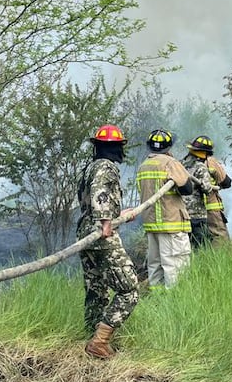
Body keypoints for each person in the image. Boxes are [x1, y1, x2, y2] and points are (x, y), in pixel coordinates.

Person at [76, 124, 140, 359]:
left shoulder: (90, 166)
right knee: (129, 290)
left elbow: (95, 195)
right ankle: (99, 342)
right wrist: (106, 223)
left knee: (97, 290)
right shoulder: (106, 166)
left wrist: (119, 216)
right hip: (101, 234)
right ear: (117, 147)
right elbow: (100, 193)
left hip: (85, 233)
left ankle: (90, 336)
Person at [135, 129, 194, 289]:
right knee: (175, 266)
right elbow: (188, 189)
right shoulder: (170, 163)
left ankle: (158, 299)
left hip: (151, 225)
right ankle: (177, 301)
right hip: (171, 224)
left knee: (155, 266)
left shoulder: (143, 166)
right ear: (169, 147)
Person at [183, 135, 232, 245]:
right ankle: (220, 261)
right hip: (211, 208)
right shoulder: (210, 161)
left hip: (190, 211)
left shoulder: (183, 163)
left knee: (194, 241)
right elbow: (226, 182)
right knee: (219, 238)